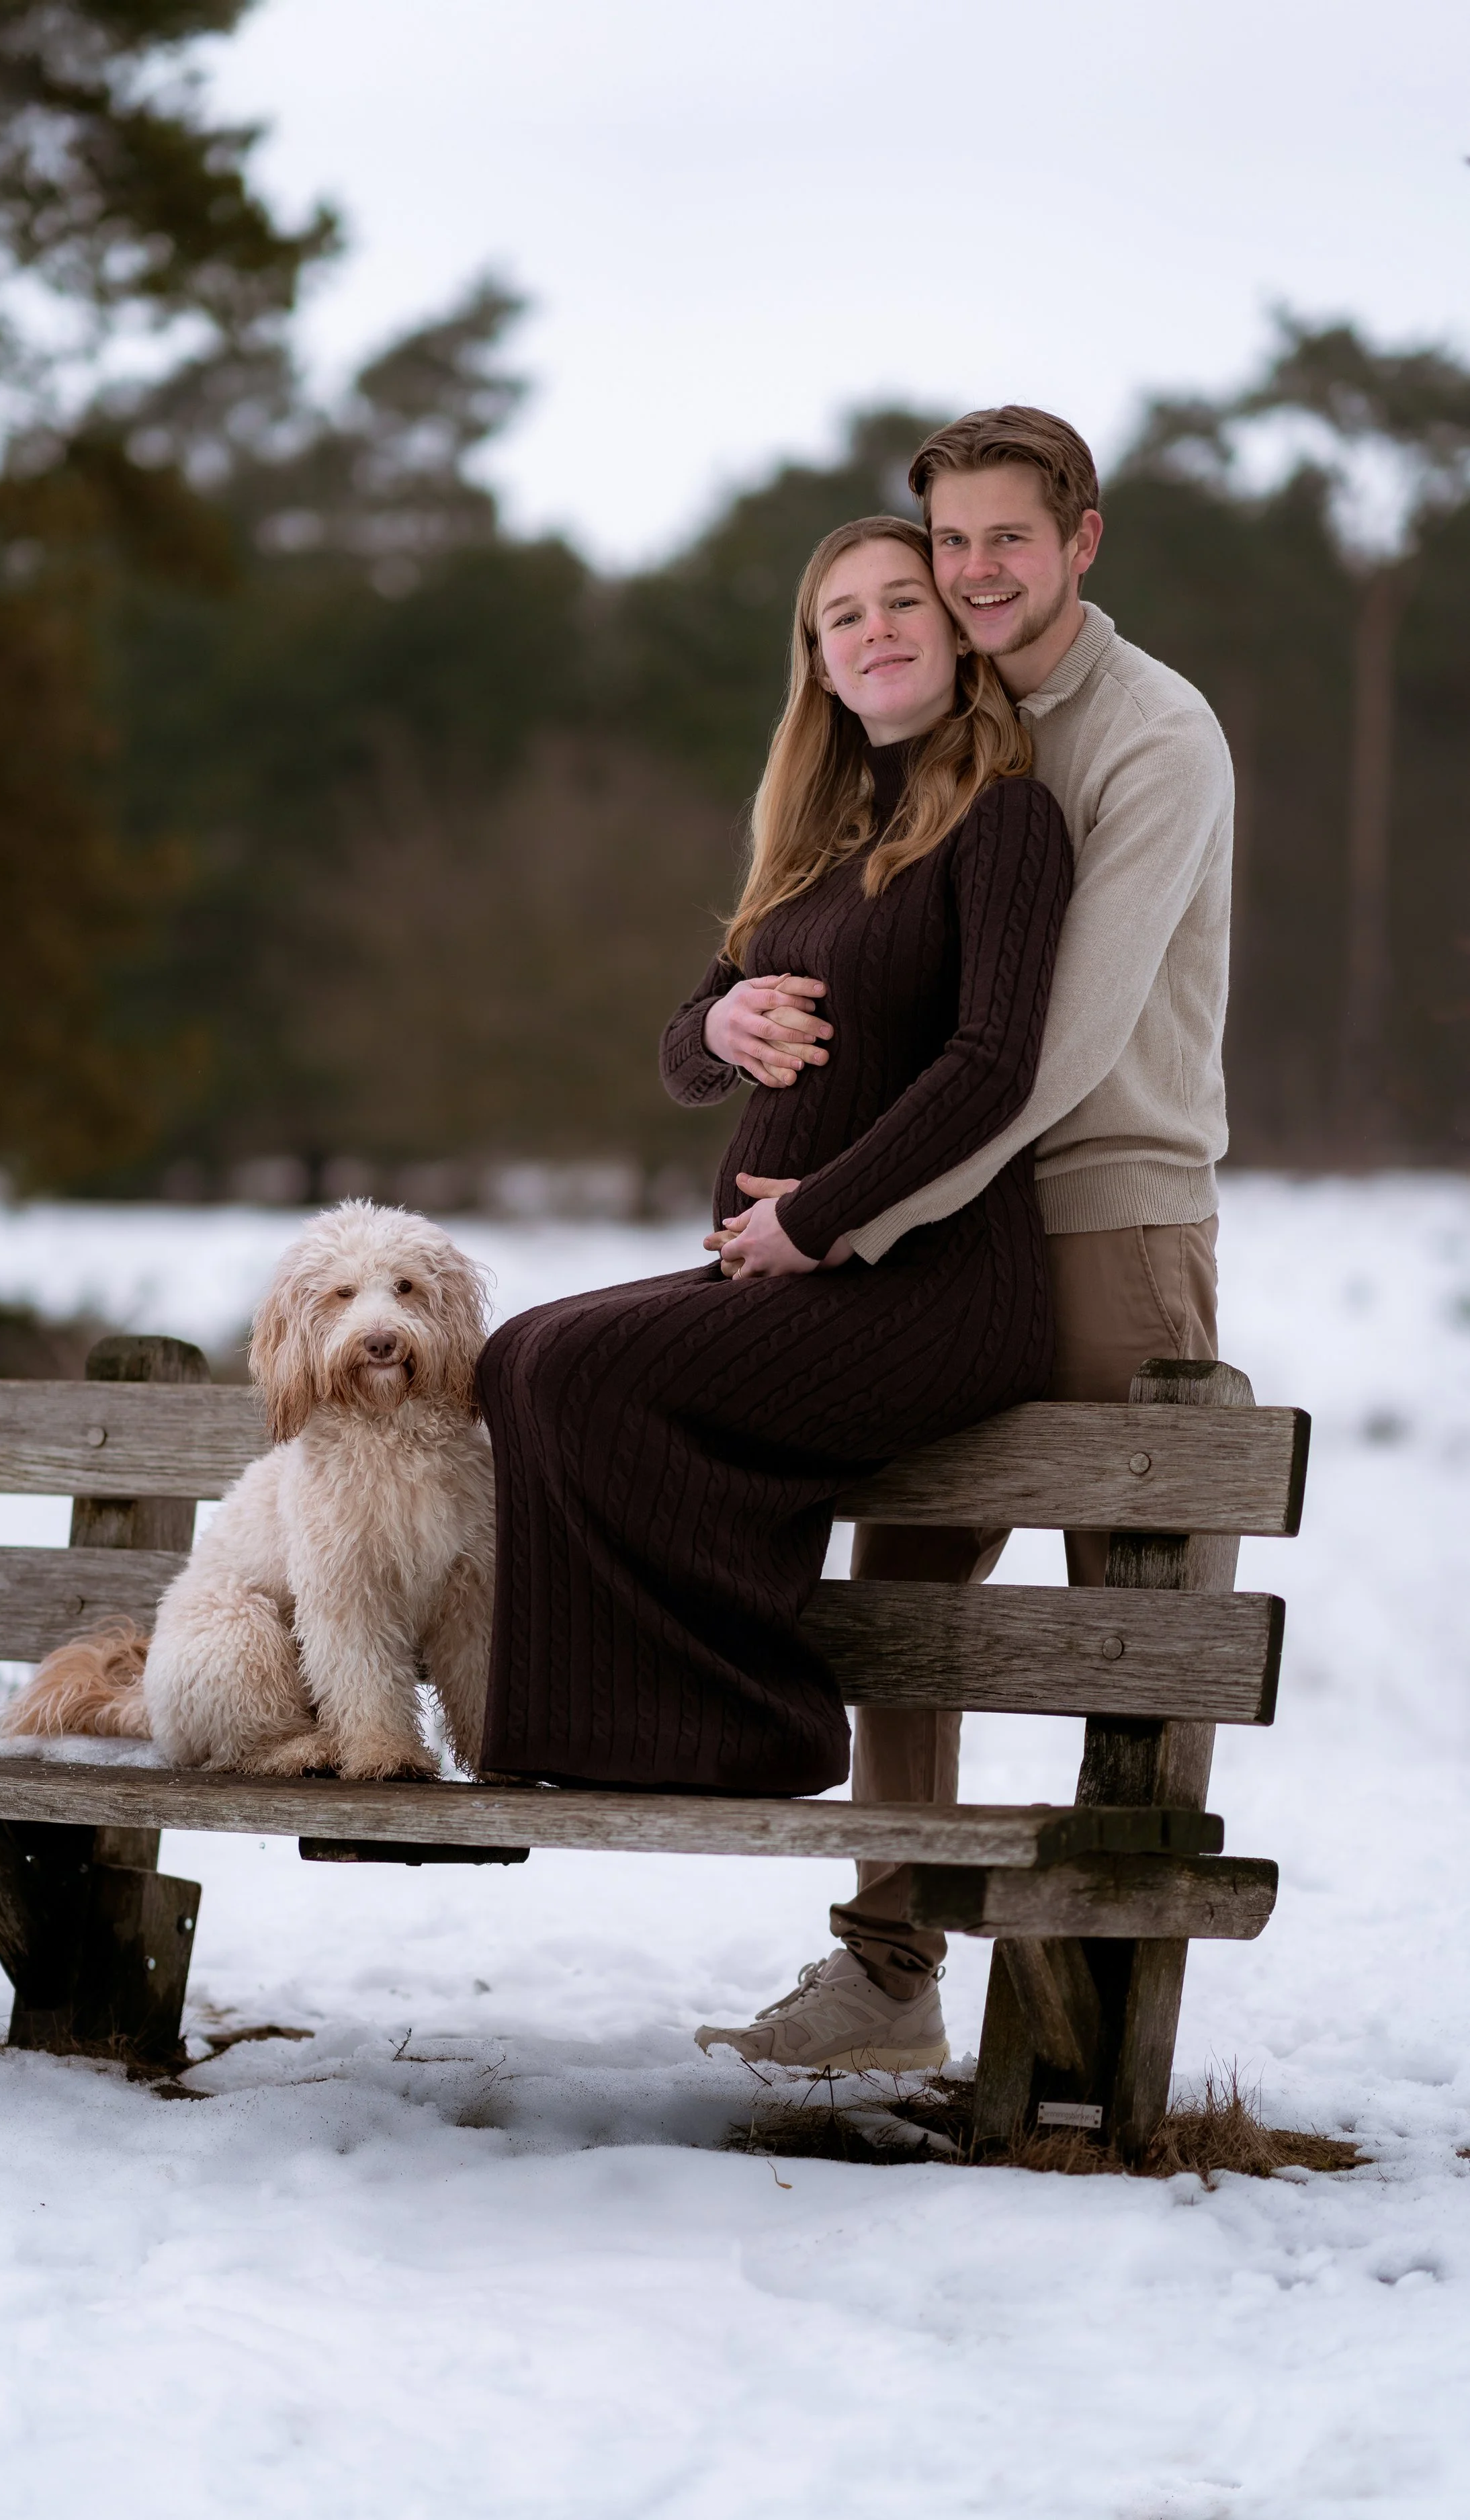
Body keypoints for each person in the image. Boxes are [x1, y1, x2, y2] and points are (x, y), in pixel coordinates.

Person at [697, 405, 1234, 2074]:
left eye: (1010, 536)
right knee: (908, 1600)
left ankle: (1095, 1994)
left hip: (1099, 1215)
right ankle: (886, 1968)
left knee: (1132, 1624)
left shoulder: (1152, 737)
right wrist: (733, 1030)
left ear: (1081, 541)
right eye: (951, 541)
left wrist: (841, 1213)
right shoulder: (926, 721)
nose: (974, 569)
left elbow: (1055, 1049)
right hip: (912, 1228)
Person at [474, 514, 1072, 1970]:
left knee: (583, 1372)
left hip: (934, 1284)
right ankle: (603, 1731)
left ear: (950, 630)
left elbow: (989, 1065)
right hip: (794, 1267)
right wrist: (720, 1027)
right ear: (812, 658)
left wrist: (817, 1217)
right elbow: (682, 1052)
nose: (869, 632)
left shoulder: (1000, 820)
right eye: (836, 618)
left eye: (897, 604)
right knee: (520, 1357)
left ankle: (747, 1723)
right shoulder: (810, 837)